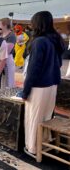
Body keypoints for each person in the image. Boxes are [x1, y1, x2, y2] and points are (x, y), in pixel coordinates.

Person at [22, 11, 65, 157]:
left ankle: (33, 148)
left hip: (39, 86)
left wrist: (25, 91)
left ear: (37, 24)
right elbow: (59, 64)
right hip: (52, 85)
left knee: (34, 118)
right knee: (46, 117)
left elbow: (33, 70)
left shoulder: (39, 41)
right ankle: (45, 142)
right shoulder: (55, 39)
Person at [0, 18, 17, 88]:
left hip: (8, 59)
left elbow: (7, 51)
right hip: (0, 59)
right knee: (2, 82)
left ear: (5, 25)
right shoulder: (0, 35)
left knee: (9, 81)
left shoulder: (11, 35)